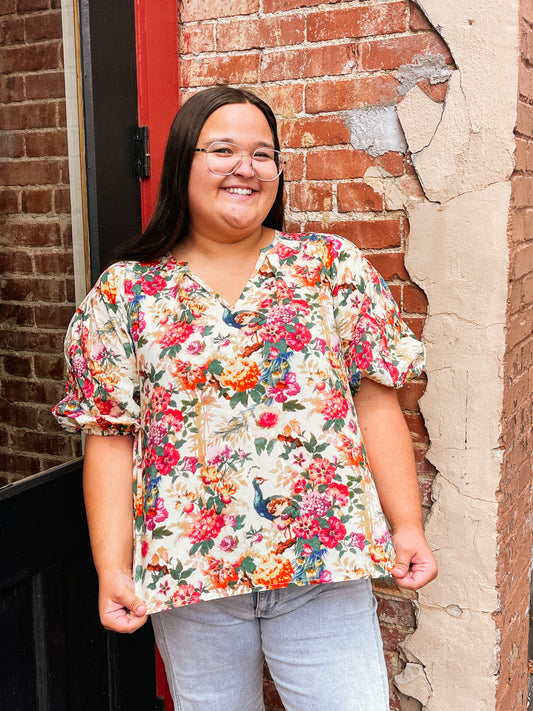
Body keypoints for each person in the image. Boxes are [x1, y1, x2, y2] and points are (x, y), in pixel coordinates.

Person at [53, 86, 437, 711]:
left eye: (263, 154)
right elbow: (110, 437)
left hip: (324, 567)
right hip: (192, 581)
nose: (246, 167)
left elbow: (375, 401)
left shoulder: (329, 268)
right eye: (224, 149)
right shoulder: (126, 293)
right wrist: (112, 567)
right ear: (181, 164)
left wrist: (408, 525)